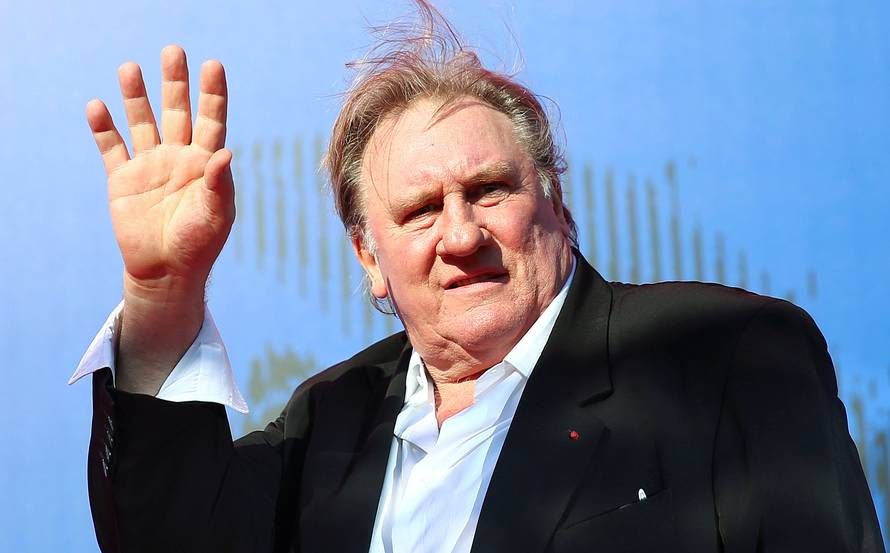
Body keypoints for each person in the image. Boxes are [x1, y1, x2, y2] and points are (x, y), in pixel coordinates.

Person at [71, 3, 883, 552]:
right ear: (368, 256)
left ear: (556, 203)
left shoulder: (721, 355)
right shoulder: (328, 420)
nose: (461, 234)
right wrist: (164, 289)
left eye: (490, 190)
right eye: (421, 209)